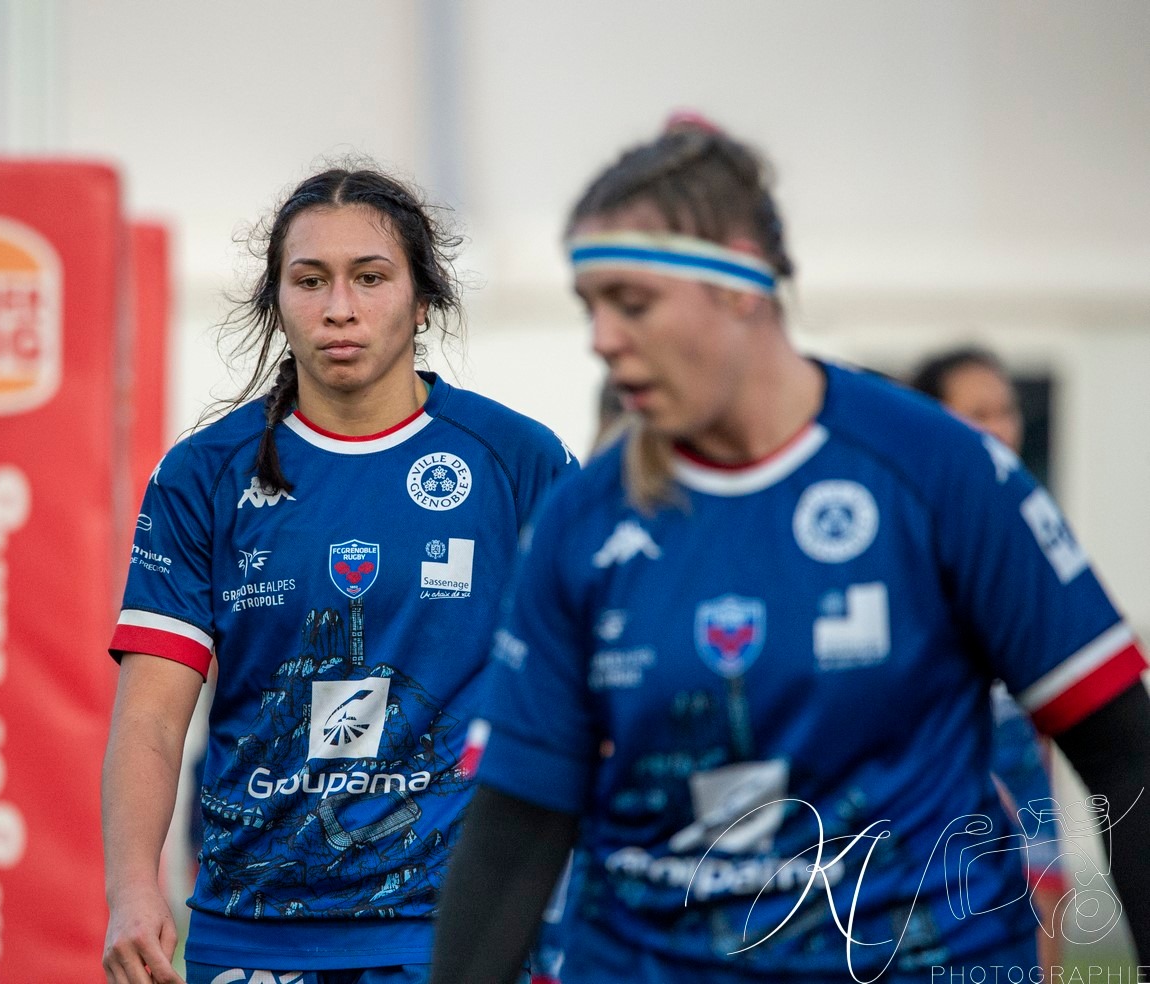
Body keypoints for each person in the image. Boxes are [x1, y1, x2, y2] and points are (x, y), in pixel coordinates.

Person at [431, 115, 1150, 983]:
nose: (603, 339)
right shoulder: (582, 521)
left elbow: (1121, 749)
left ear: (741, 282)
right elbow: (518, 823)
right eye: (592, 307)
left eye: (633, 302)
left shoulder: (939, 474)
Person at [102, 165, 575, 984]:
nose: (340, 309)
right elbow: (149, 716)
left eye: (370, 278)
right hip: (250, 930)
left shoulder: (518, 462)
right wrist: (133, 889)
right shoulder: (202, 475)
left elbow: (584, 686)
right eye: (310, 280)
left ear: (423, 299)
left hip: (453, 928)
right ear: (276, 300)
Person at [911, 345, 1069, 971]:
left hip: (1025, 827)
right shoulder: (908, 542)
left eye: (1006, 410)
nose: (999, 427)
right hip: (924, 847)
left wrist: (1049, 862)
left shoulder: (1035, 538)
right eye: (978, 411)